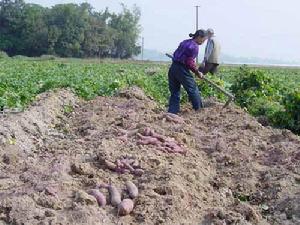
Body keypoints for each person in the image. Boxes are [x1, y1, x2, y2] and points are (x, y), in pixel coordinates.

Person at [168, 29, 207, 114]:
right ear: (199, 37)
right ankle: (199, 110)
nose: (203, 42)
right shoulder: (194, 46)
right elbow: (189, 62)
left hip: (173, 67)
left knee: (175, 91)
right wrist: (197, 72)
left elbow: (176, 53)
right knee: (193, 89)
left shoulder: (185, 42)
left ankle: (172, 112)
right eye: (203, 40)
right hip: (181, 69)